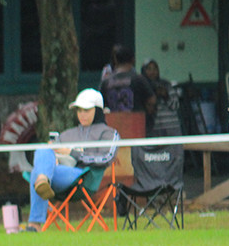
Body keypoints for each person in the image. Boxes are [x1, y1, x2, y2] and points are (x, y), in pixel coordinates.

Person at [26, 88, 119, 232]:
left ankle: (35, 224)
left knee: (35, 173)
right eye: (79, 110)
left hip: (84, 177)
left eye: (86, 110)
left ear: (98, 111)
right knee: (44, 149)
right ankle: (43, 179)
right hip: (59, 174)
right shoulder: (67, 134)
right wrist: (55, 158)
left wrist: (73, 153)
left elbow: (106, 158)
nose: (82, 114)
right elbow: (47, 155)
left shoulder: (109, 133)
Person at [99, 44, 156, 133]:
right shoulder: (138, 79)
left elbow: (101, 105)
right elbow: (151, 101)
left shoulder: (106, 82)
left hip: (112, 128)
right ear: (133, 60)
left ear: (115, 60)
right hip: (136, 126)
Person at [140, 59, 182, 137]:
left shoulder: (166, 84)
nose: (152, 72)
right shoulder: (141, 87)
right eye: (149, 69)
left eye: (155, 68)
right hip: (152, 130)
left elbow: (175, 105)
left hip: (170, 127)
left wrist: (165, 95)